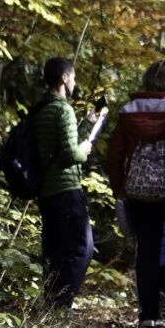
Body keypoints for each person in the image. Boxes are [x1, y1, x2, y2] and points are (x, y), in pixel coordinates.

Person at [107, 59, 165, 326]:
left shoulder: (128, 112)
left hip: (139, 192)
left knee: (146, 252)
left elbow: (115, 156)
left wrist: (120, 186)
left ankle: (148, 315)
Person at [35, 57, 98, 311]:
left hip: (45, 192)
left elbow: (57, 149)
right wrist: (85, 149)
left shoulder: (41, 108)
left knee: (54, 252)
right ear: (64, 78)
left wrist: (89, 124)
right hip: (66, 190)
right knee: (83, 249)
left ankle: (50, 303)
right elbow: (71, 154)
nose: (74, 82)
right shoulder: (63, 109)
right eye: (73, 77)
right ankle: (60, 305)